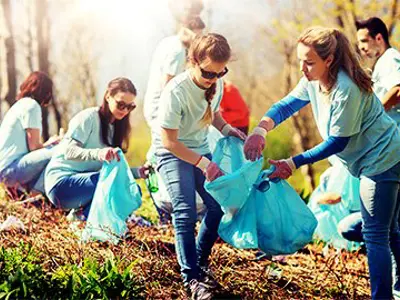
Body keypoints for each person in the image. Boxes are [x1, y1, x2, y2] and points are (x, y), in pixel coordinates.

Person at [243, 26, 400, 299]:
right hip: (381, 157)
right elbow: (286, 105)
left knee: (376, 235)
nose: (303, 68)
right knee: (391, 231)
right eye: (300, 60)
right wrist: (261, 130)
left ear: (329, 60)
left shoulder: (346, 89)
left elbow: (337, 142)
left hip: (383, 160)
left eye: (309, 62)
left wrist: (292, 163)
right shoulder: (314, 79)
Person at [154, 33, 247, 299]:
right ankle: (191, 279)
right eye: (208, 73)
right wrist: (204, 163)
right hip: (173, 153)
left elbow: (213, 114)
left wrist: (228, 129)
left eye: (220, 72)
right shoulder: (176, 91)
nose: (213, 79)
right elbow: (169, 142)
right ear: (192, 61)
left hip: (200, 150)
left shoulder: (214, 84)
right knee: (184, 211)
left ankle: (199, 261)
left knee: (217, 207)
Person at [45, 78, 148, 219]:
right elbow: (69, 151)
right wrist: (98, 153)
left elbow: (114, 171)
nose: (125, 110)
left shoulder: (116, 129)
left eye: (130, 107)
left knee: (133, 189)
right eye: (121, 104)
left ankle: (81, 217)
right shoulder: (88, 118)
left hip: (85, 185)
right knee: (117, 186)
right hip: (61, 184)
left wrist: (138, 172)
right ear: (107, 96)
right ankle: (83, 217)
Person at [0, 71, 62, 195]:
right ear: (46, 92)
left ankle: (26, 193)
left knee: (53, 151)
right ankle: (36, 197)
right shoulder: (32, 106)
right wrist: (51, 143)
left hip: (5, 169)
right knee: (61, 151)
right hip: (10, 170)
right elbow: (34, 147)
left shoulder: (19, 105)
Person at [356, 17, 400, 125]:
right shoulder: (383, 61)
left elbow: (398, 90)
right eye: (359, 43)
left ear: (379, 38)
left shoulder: (390, 58)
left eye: (364, 41)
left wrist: (372, 115)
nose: (361, 47)